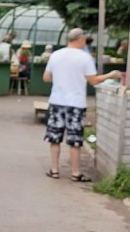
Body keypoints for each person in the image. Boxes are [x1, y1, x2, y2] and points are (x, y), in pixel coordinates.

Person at [43, 28, 122, 182]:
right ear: (80, 39)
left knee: (54, 138)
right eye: (85, 39)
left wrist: (61, 80)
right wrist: (110, 75)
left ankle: (54, 170)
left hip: (57, 101)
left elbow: (46, 77)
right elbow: (93, 81)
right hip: (76, 103)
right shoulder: (85, 58)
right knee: (75, 139)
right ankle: (75, 173)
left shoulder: (56, 55)